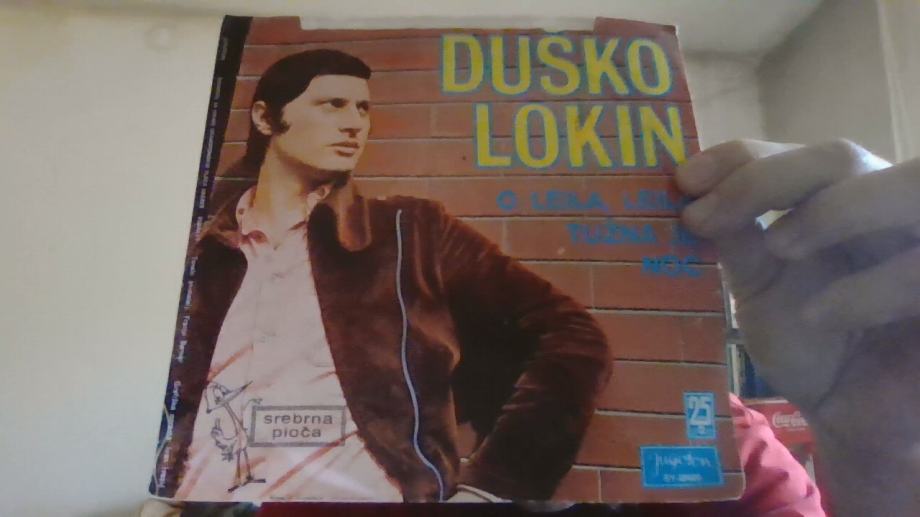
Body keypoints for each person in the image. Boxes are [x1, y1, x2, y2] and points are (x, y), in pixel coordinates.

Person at [149, 49, 612, 504]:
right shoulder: (201, 252)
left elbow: (574, 337)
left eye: (363, 108)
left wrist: (491, 489)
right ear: (265, 119)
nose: (354, 123)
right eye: (333, 104)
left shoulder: (411, 234)